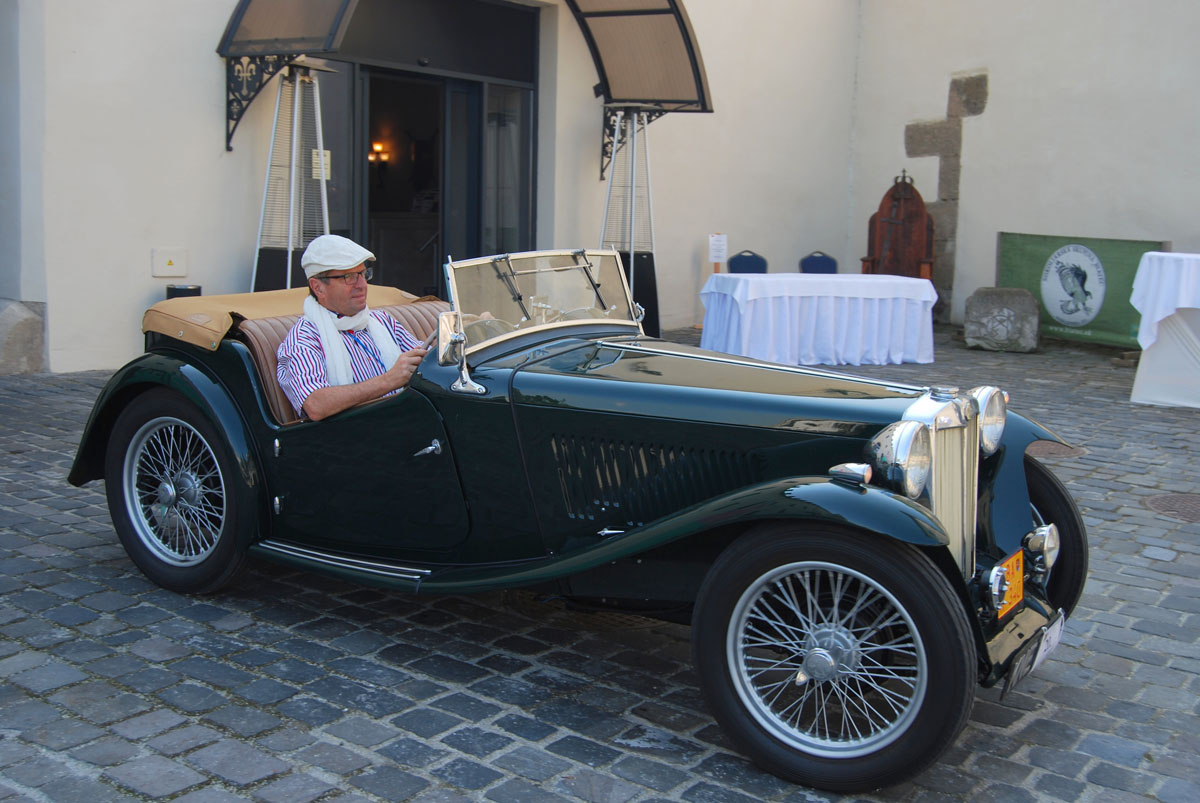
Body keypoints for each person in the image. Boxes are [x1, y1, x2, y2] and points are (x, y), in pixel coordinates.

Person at [276, 234, 428, 421]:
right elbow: (315, 404)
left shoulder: (380, 320)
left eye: (363, 274)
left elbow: (425, 358)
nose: (362, 285)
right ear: (318, 287)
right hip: (356, 434)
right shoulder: (304, 338)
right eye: (348, 277)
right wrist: (388, 380)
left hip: (405, 421)